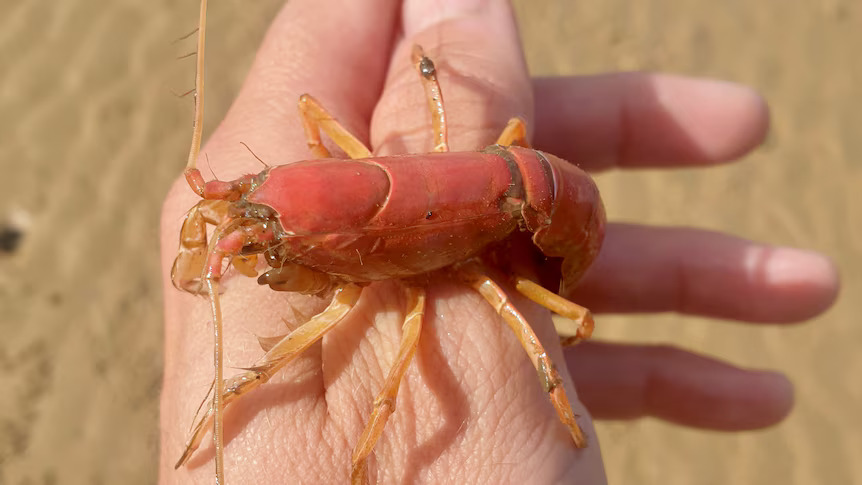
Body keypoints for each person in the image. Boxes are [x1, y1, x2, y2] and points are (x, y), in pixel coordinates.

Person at [159, 0, 839, 483]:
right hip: (506, 175)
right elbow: (305, 132)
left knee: (400, 363)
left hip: (552, 204)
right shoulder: (298, 190)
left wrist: (362, 458)